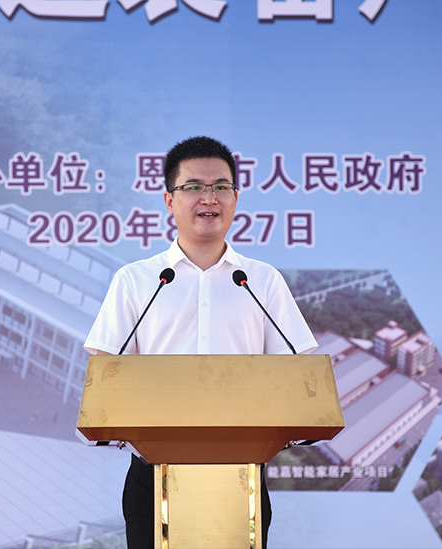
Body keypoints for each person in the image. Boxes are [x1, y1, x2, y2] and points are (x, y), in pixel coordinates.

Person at [84, 136, 317, 548]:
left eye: (220, 187)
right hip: (153, 475)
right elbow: (106, 380)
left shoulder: (261, 281)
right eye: (193, 187)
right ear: (169, 201)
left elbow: (297, 380)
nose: (209, 198)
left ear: (235, 198)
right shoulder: (137, 280)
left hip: (241, 475)